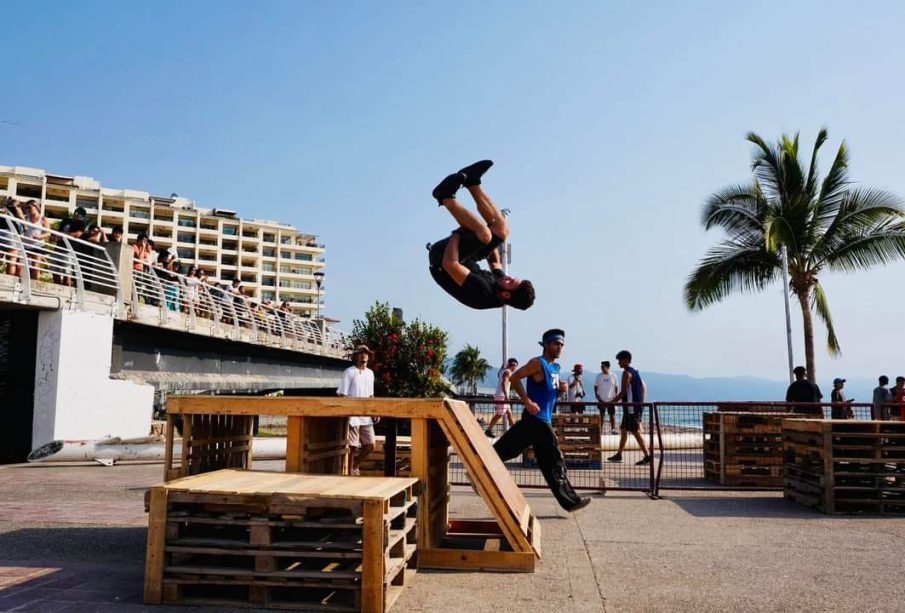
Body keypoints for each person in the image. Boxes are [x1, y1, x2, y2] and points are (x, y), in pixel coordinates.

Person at [493, 329, 591, 512]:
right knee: (555, 460)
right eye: (556, 343)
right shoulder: (538, 363)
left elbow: (550, 394)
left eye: (562, 344)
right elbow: (514, 378)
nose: (559, 347)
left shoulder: (556, 368)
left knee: (514, 451)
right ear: (546, 344)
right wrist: (527, 401)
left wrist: (561, 390)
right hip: (537, 419)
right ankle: (572, 501)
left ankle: (570, 502)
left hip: (539, 419)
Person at [427, 160, 535, 311]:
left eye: (511, 283)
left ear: (506, 296)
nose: (508, 278)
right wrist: (496, 239)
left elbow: (450, 264)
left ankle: (446, 198)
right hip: (465, 258)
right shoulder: (501, 285)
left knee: (483, 235)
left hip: (442, 258)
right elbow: (495, 264)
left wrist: (457, 234)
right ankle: (473, 183)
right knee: (502, 231)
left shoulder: (483, 293)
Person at [336, 345, 377, 476]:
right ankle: (349, 472)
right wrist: (348, 410)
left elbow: (371, 396)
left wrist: (374, 411)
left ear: (369, 356)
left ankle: (355, 464)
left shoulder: (370, 373)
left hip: (366, 415)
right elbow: (342, 394)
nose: (363, 355)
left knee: (370, 445)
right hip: (353, 415)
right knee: (352, 446)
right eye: (360, 353)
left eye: (366, 353)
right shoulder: (349, 372)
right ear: (356, 356)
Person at [606, 350, 652, 465]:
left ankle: (647, 455)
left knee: (636, 432)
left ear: (626, 360)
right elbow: (643, 386)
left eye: (620, 360)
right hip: (632, 407)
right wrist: (641, 403)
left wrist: (612, 402)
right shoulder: (635, 371)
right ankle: (619, 454)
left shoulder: (627, 373)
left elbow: (623, 392)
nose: (618, 363)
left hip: (631, 408)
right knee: (623, 430)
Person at [485, 358, 518, 437]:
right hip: (501, 396)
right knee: (499, 414)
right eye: (516, 367)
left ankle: (515, 433)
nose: (516, 369)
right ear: (513, 365)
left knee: (510, 414)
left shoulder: (502, 371)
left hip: (500, 395)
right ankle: (488, 430)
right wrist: (506, 395)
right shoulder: (508, 372)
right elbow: (504, 383)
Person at [595, 360, 619, 434]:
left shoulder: (613, 375)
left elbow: (616, 386)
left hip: (611, 398)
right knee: (601, 415)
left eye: (603, 366)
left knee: (612, 415)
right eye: (601, 366)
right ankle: (600, 430)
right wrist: (596, 394)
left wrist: (616, 396)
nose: (602, 368)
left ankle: (613, 429)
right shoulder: (599, 375)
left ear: (608, 367)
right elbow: (595, 385)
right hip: (601, 398)